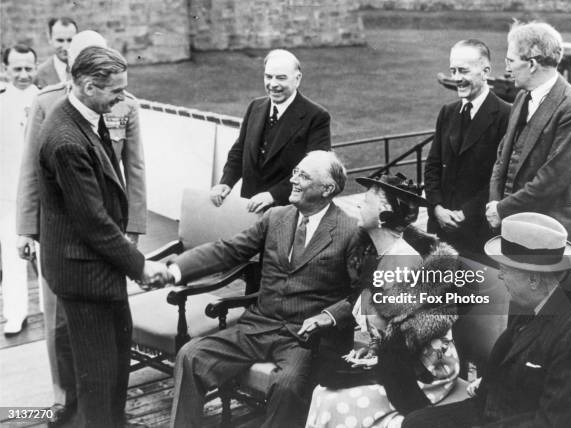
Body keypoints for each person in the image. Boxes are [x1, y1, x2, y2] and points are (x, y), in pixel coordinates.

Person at [164, 151, 361, 428]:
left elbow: (362, 292)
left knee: (287, 386)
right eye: (295, 172)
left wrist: (328, 316)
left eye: (304, 176)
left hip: (303, 338)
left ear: (327, 188)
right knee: (190, 356)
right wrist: (175, 270)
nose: (293, 180)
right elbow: (228, 250)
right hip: (258, 326)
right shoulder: (276, 217)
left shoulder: (350, 231)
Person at [15, 30, 147, 425]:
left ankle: (105, 416)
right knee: (78, 349)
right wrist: (26, 228)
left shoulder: (104, 109)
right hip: (77, 256)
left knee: (109, 353)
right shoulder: (57, 119)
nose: (121, 98)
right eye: (116, 91)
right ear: (87, 84)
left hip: (102, 253)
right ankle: (71, 411)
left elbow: (133, 172)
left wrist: (133, 233)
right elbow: (32, 176)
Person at [399, 212, 571, 427]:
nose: (499, 276)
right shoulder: (538, 294)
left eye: (505, 269)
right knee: (414, 422)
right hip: (500, 406)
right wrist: (490, 380)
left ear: (533, 278)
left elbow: (553, 422)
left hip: (518, 418)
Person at [307, 174, 461, 428]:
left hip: (422, 373)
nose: (358, 205)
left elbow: (405, 342)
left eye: (365, 202)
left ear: (384, 216)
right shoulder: (380, 256)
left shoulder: (403, 262)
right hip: (394, 362)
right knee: (323, 392)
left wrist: (372, 360)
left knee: (329, 398)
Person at [486, 21, 571, 259]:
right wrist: (495, 206)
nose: (507, 68)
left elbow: (552, 179)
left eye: (510, 61)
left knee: (558, 298)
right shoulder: (522, 96)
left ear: (532, 64)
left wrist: (502, 209)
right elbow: (502, 156)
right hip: (516, 230)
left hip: (554, 236)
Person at [209, 49, 331, 213]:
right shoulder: (255, 106)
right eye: (268, 77)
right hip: (250, 208)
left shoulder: (317, 117)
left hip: (288, 211)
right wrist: (226, 182)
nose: (273, 84)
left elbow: (315, 172)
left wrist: (273, 195)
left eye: (281, 78)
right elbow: (240, 151)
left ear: (298, 79)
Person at [425, 39, 510, 258]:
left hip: (477, 232)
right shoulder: (448, 112)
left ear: (485, 71)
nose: (456, 78)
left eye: (463, 70)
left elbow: (501, 178)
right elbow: (433, 165)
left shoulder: (505, 115)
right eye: (453, 70)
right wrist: (436, 209)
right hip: (440, 230)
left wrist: (466, 214)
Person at [0, 44, 39, 335]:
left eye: (29, 68)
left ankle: (50, 313)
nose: (24, 74)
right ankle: (15, 312)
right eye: (17, 69)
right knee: (11, 254)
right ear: (5, 70)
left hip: (44, 192)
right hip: (10, 193)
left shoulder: (48, 99)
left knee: (49, 255)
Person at [35, 17, 78, 88]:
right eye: (60, 40)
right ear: (50, 39)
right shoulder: (38, 74)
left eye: (70, 40)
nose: (65, 47)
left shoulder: (87, 71)